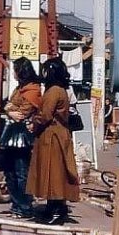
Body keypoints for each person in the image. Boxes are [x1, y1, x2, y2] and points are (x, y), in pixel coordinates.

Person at [27, 57, 80, 225]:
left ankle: (56, 210)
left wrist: (33, 122)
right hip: (58, 134)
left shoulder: (53, 91)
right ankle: (56, 207)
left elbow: (45, 115)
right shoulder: (61, 89)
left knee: (53, 174)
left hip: (52, 136)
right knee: (57, 174)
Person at [2, 57, 42, 219]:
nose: (13, 73)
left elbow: (22, 113)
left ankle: (24, 206)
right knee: (10, 172)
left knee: (21, 172)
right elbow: (9, 106)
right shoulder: (19, 88)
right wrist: (10, 109)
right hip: (11, 134)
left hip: (23, 135)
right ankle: (16, 204)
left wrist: (10, 109)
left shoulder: (32, 90)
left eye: (15, 69)